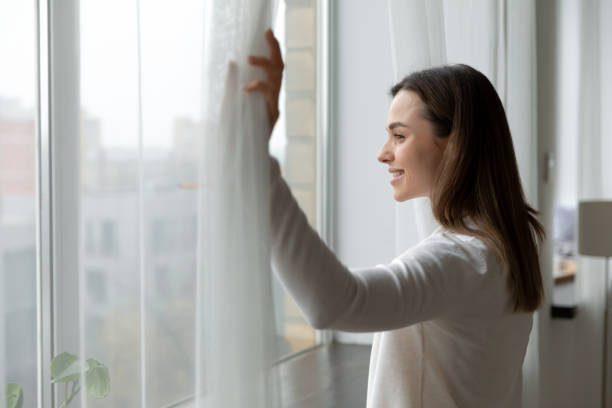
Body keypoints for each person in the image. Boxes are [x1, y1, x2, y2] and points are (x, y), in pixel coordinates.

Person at [244, 28, 545, 408]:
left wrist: (256, 160)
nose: (383, 153)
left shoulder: (461, 260)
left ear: (454, 145)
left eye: (399, 136)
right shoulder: (507, 243)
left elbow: (333, 303)